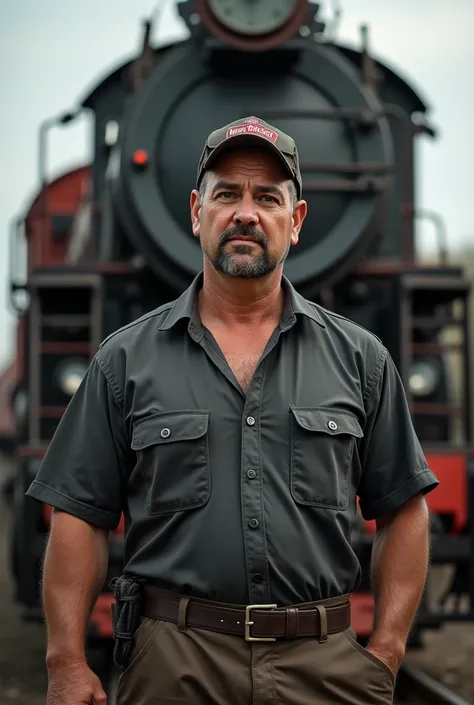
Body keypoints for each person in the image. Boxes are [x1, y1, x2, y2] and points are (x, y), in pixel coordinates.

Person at [26, 116, 439, 705]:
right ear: (198, 212)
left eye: (267, 198)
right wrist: (65, 660)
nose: (246, 212)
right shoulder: (124, 359)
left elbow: (405, 509)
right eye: (227, 195)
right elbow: (78, 516)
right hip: (173, 665)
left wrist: (388, 652)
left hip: (323, 666)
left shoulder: (361, 359)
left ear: (294, 223)